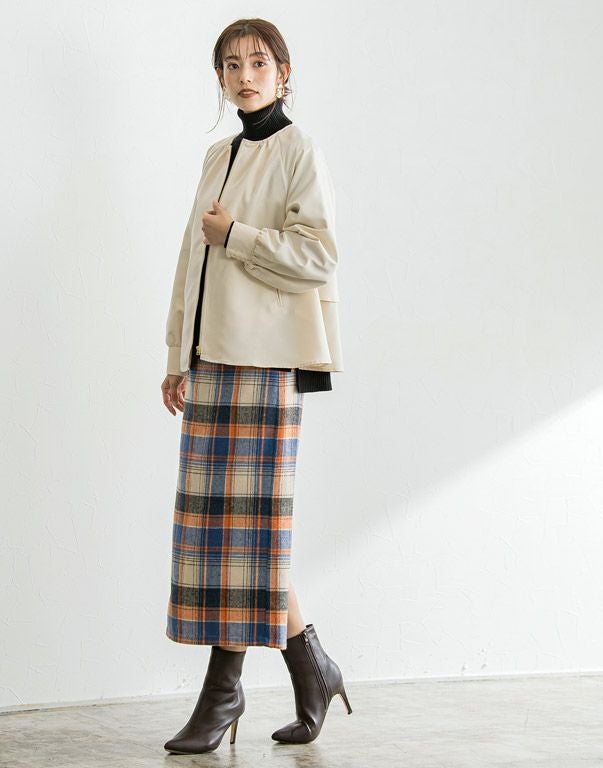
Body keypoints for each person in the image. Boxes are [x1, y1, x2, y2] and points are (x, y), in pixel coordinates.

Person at [159, 18, 351, 755]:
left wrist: (237, 235)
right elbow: (191, 261)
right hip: (211, 359)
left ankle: (223, 694)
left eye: (259, 63)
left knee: (247, 534)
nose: (245, 76)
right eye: (232, 65)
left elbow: (319, 256)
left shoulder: (299, 149)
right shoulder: (218, 154)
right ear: (219, 77)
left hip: (267, 361)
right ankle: (313, 668)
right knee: (225, 534)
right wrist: (177, 354)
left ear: (283, 72)